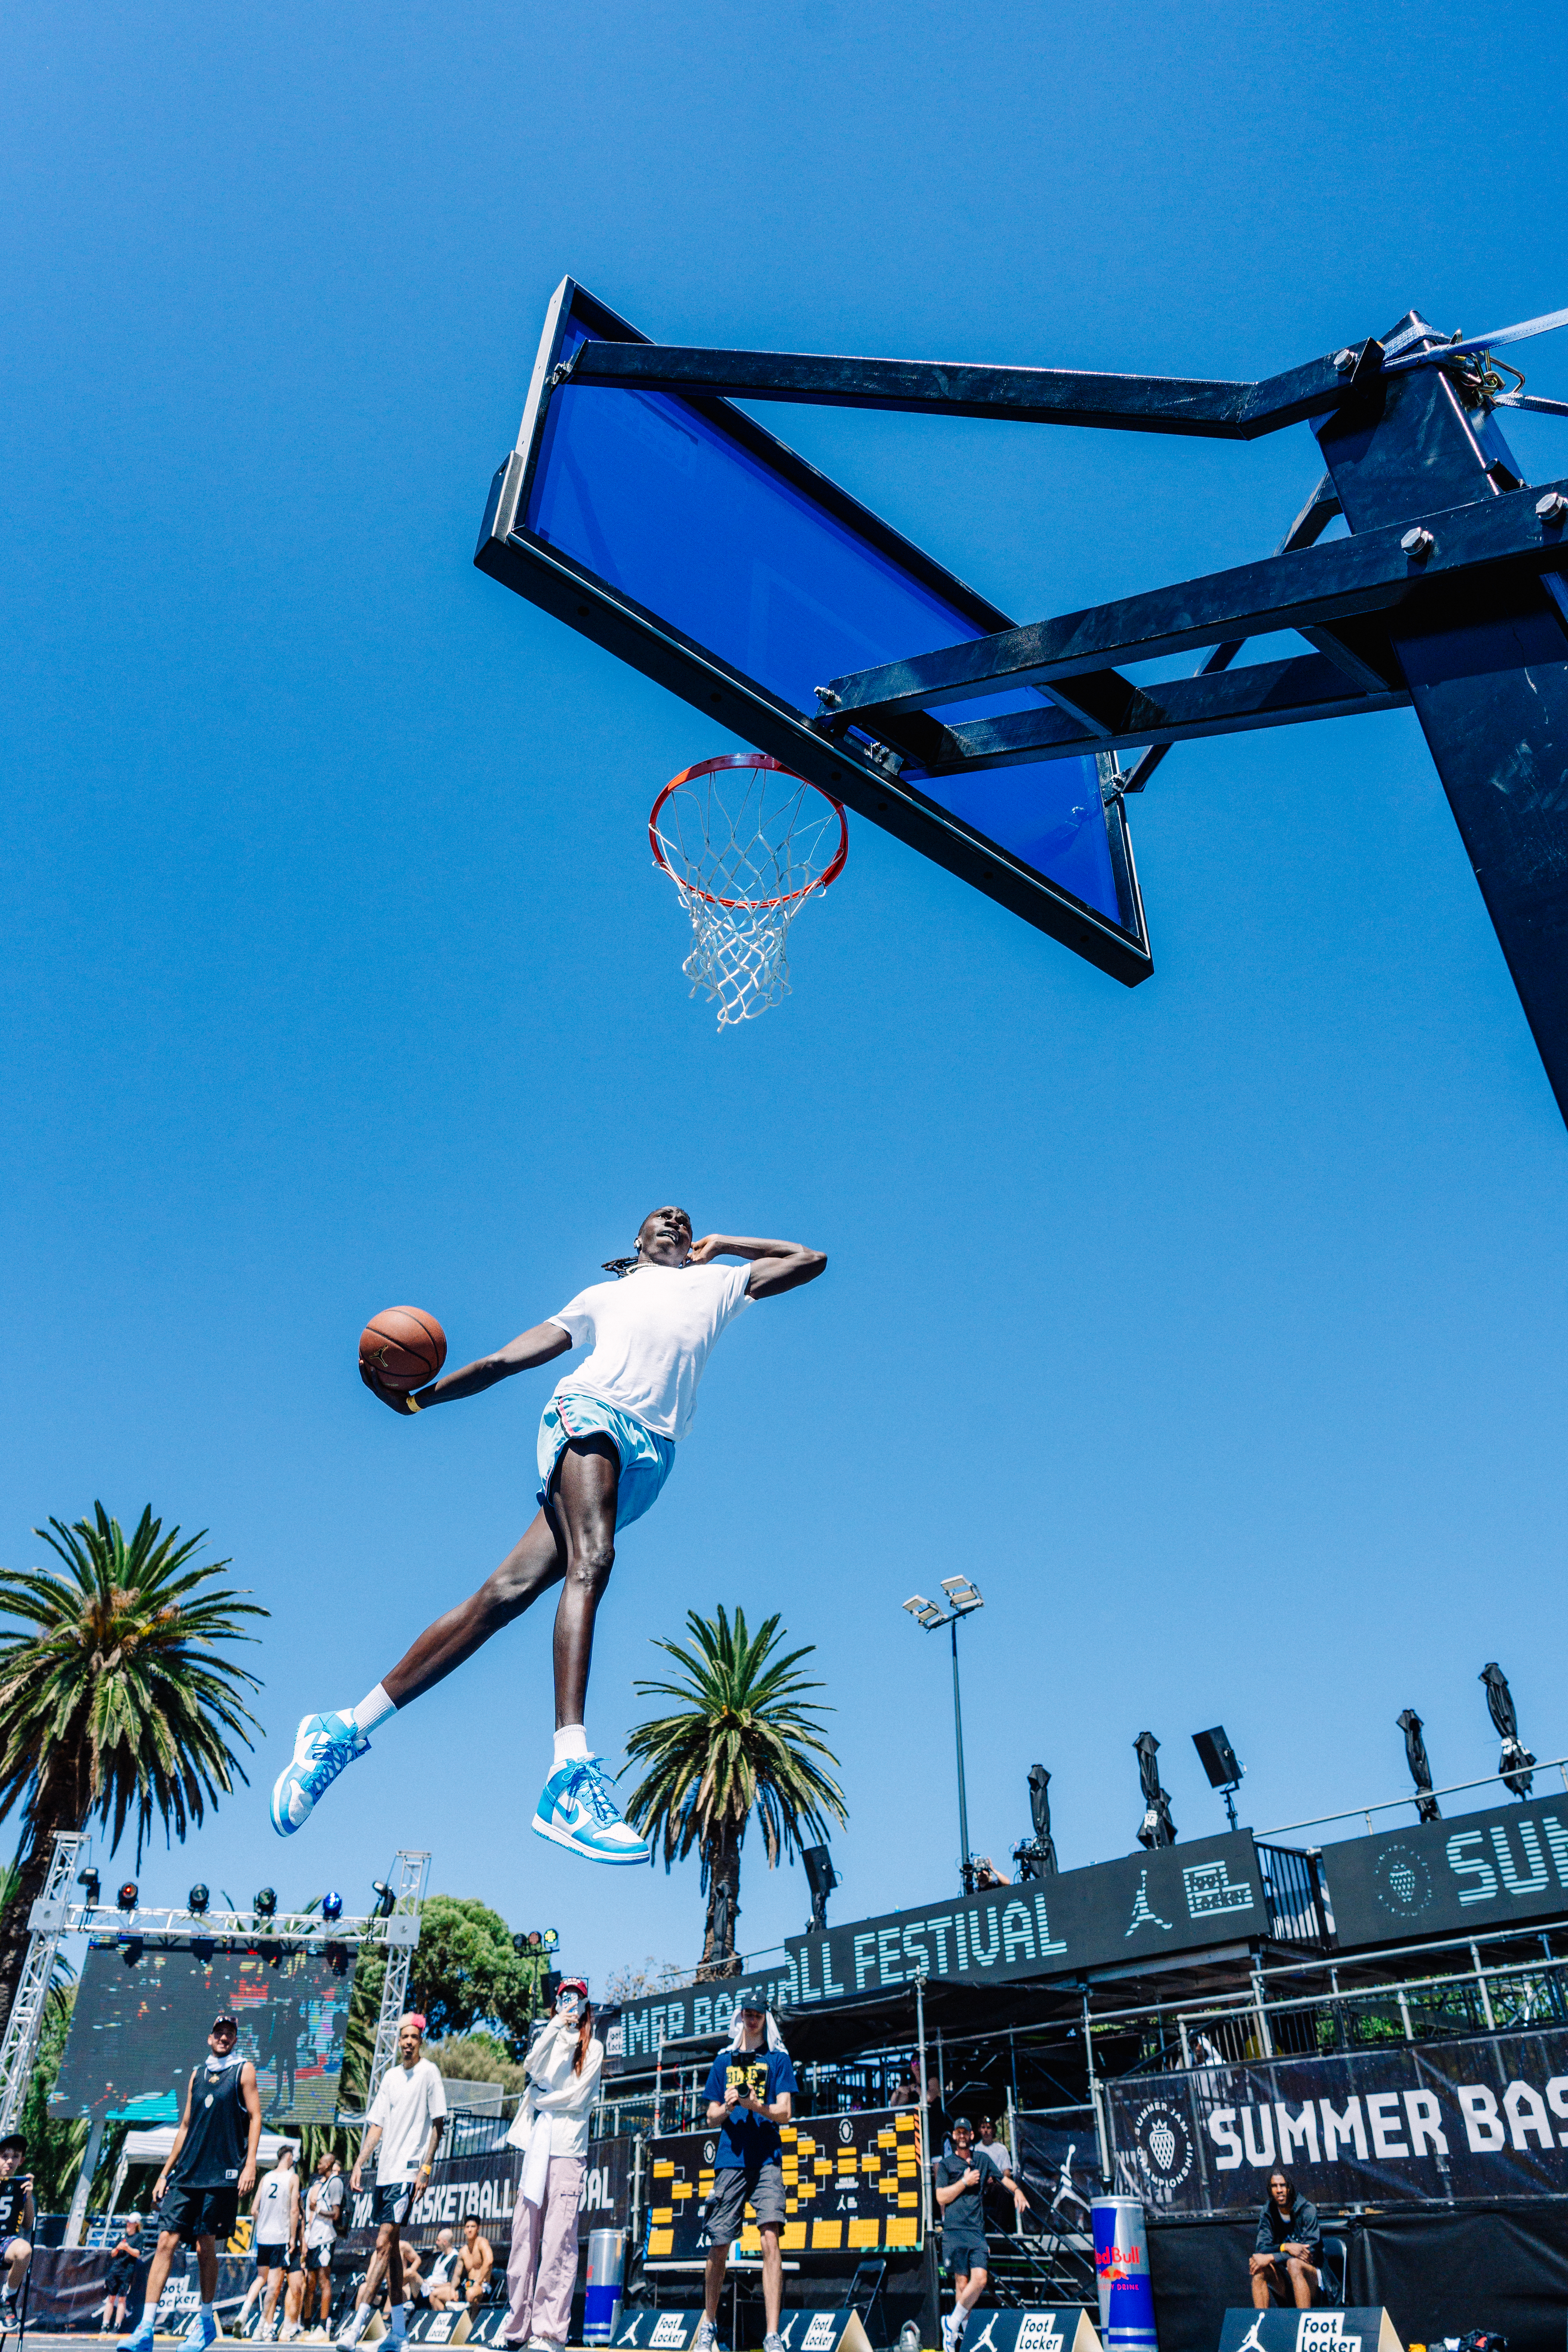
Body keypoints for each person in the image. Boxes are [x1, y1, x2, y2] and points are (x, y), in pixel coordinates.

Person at [271, 1211, 827, 1864]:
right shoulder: (604, 1297)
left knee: (502, 1597)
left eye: (684, 1221)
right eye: (659, 1218)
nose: (674, 1220)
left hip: (655, 1453)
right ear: (635, 1243)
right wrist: (421, 1401)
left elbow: (807, 1259)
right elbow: (505, 1360)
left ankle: (341, 1728)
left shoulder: (719, 1285)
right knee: (591, 1561)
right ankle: (569, 1771)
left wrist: (725, 1245)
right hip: (591, 1412)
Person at [125, 2014, 263, 2352]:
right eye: (219, 2033)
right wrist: (164, 2173)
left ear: (235, 2040)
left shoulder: (243, 2070)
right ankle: (145, 2329)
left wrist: (249, 2166)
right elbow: (185, 2126)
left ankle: (204, 2323)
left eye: (230, 2034)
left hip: (222, 2174)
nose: (224, 2038)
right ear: (210, 2038)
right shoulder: (196, 2075)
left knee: (205, 2249)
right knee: (165, 2243)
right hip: (188, 2173)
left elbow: (257, 2116)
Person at [503, 1979, 602, 2351]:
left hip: (567, 2149)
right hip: (537, 2147)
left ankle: (549, 2332)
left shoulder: (594, 2047)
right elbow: (530, 2065)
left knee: (558, 2240)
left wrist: (542, 2100)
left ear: (587, 2003)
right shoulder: (552, 2036)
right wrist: (554, 2026)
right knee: (523, 2239)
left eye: (576, 1997)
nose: (570, 2003)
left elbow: (577, 2097)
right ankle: (516, 2328)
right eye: (564, 1997)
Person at [694, 1992, 796, 2352]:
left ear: (765, 2019)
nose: (751, 2021)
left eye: (757, 2015)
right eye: (747, 2015)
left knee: (771, 2237)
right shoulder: (724, 2061)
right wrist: (729, 2105)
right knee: (719, 2243)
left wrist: (756, 2105)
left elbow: (785, 2113)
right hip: (730, 2159)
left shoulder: (779, 2059)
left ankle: (772, 2335)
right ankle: (709, 2324)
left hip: (767, 2158)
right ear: (739, 2019)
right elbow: (710, 2116)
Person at [338, 2013, 446, 2348]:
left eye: (413, 2037)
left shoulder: (429, 2073)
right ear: (399, 2041)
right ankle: (399, 2333)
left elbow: (438, 2124)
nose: (408, 2042)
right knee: (394, 2254)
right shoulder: (390, 2078)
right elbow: (376, 2125)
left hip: (407, 2173)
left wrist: (425, 2170)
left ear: (421, 2041)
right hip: (385, 2174)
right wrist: (359, 2163)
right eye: (404, 2037)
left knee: (384, 2244)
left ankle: (356, 2326)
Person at [935, 2116, 1025, 2352]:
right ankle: (960, 2340)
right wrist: (964, 2182)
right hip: (954, 2231)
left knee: (981, 2280)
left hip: (976, 2231)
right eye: (959, 2133)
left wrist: (1018, 2192)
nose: (962, 2136)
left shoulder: (983, 2160)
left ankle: (951, 2323)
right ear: (954, 2137)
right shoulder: (946, 2165)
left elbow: (1004, 2178)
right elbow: (941, 2198)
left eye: (966, 2132)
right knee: (962, 2284)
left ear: (972, 2136)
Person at [240, 2145, 299, 2338]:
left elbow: (253, 2210)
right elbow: (294, 2210)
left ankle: (245, 2311)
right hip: (279, 2236)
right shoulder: (292, 2178)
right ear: (288, 2156)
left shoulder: (266, 2178)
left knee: (260, 2278)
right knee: (274, 2286)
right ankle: (260, 2328)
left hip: (263, 2236)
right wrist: (292, 2237)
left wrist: (264, 2220)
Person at [1249, 2169, 1322, 2310]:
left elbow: (1310, 2251)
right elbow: (1261, 2249)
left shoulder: (1307, 2210)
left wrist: (1271, 2257)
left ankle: (1303, 2321)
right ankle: (1261, 2326)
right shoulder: (1268, 2212)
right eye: (1275, 2186)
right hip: (1286, 2278)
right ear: (1270, 2190)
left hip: (1314, 2278)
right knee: (1259, 2270)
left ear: (1289, 2187)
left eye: (1283, 2185)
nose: (1279, 2190)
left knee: (1295, 2264)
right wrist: (1286, 2247)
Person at [300, 2153, 344, 2339]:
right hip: (314, 2239)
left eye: (320, 2163)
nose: (318, 2166)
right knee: (310, 2283)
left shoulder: (335, 2183)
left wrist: (317, 2209)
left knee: (324, 2282)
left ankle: (323, 2328)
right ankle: (307, 2326)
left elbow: (336, 2214)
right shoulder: (324, 2183)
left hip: (326, 2239)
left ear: (328, 2164)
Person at [0, 2137, 35, 2328]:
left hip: (4, 2242)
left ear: (21, 2161)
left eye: (15, 2157)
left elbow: (29, 2223)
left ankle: (6, 2298)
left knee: (24, 2250)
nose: (10, 2161)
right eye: (4, 2156)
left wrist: (28, 2196)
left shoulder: (22, 2187)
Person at [99, 2210, 145, 2335]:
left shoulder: (139, 2238)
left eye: (131, 2222)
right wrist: (118, 2249)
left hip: (127, 2271)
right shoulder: (122, 2236)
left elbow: (138, 2253)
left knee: (122, 2299)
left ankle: (117, 2326)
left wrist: (127, 2248)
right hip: (115, 2270)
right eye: (128, 2222)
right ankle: (105, 2325)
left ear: (136, 2224)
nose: (128, 2224)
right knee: (111, 2298)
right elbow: (113, 2253)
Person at [457, 2216, 494, 2313]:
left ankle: (471, 2326)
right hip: (468, 2285)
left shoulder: (482, 2242)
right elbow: (457, 2275)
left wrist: (479, 2282)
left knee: (470, 2293)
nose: (470, 2230)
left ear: (478, 2229)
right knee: (436, 2295)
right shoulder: (463, 2251)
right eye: (467, 2227)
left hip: (483, 2285)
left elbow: (489, 2261)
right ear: (464, 2230)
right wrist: (452, 2290)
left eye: (473, 2227)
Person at [424, 2230, 461, 2313]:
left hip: (438, 2288)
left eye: (438, 2240)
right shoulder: (439, 2256)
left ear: (445, 2242)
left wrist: (432, 2285)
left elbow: (451, 2283)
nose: (436, 2243)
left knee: (433, 2295)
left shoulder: (454, 2258)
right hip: (428, 2287)